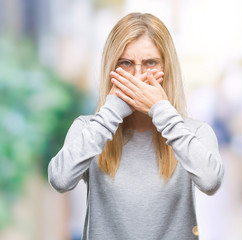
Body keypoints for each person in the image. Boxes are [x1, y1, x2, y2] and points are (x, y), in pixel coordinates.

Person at [48, 12, 224, 240]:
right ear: (112, 68)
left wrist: (161, 110)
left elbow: (211, 182)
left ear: (167, 68)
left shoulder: (193, 132)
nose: (138, 76)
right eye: (126, 64)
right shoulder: (90, 129)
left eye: (150, 63)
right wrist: (110, 111)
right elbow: (60, 180)